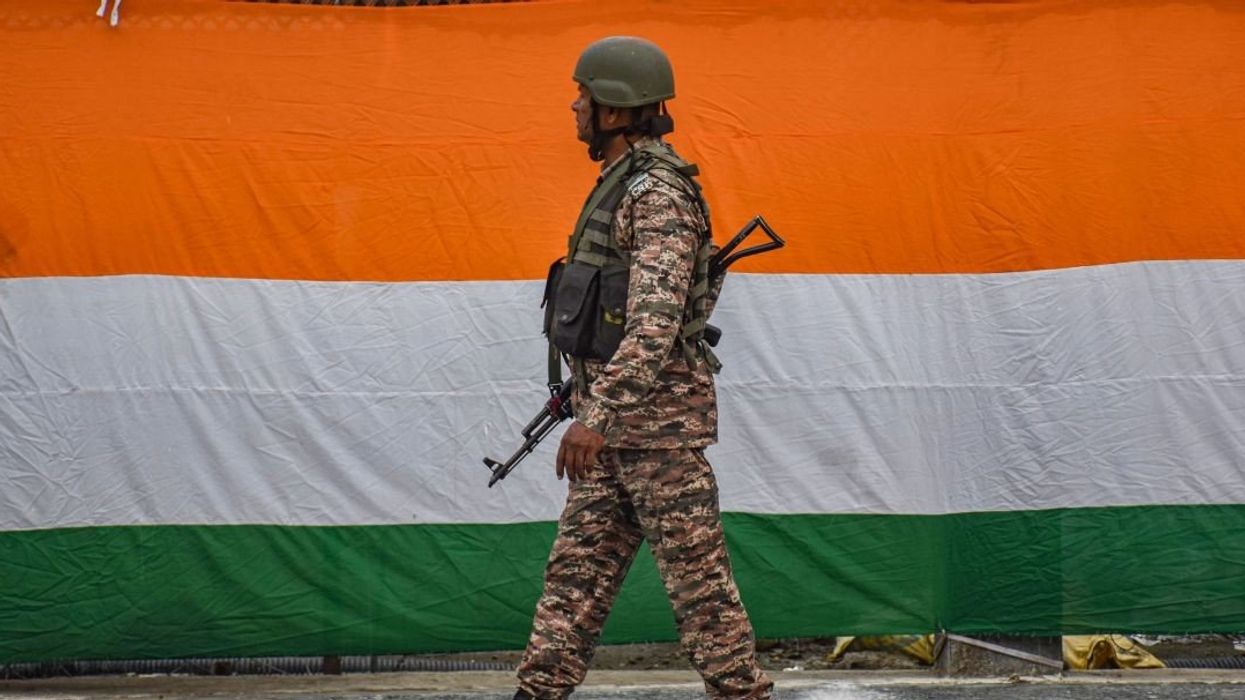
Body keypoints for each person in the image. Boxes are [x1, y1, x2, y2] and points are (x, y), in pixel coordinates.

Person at [513, 36, 773, 700]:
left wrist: (595, 415)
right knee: (572, 585)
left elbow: (653, 326)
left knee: (700, 596)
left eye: (584, 95)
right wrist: (583, 404)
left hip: (655, 437)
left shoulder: (656, 192)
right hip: (611, 433)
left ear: (615, 110)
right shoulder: (619, 184)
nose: (573, 106)